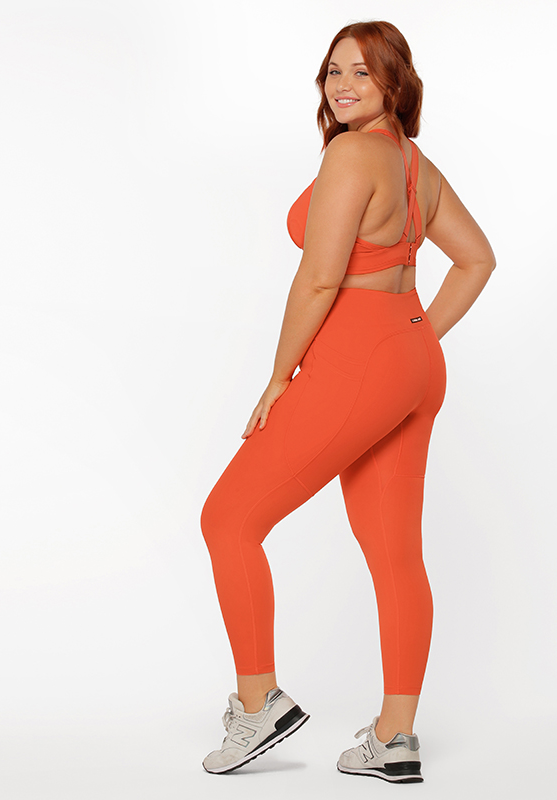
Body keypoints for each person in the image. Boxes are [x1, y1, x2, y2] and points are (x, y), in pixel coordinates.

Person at [199, 19, 496, 783]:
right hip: (413, 359)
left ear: (396, 82)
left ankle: (258, 704)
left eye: (362, 72)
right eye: (333, 71)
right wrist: (412, 339)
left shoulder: (352, 154)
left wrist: (279, 377)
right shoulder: (414, 164)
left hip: (358, 357)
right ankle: (395, 737)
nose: (342, 85)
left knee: (228, 519)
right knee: (395, 553)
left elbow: (321, 278)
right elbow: (476, 260)